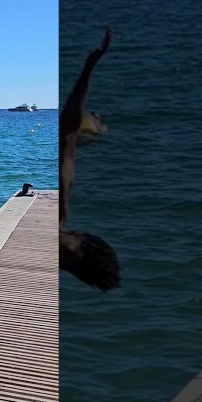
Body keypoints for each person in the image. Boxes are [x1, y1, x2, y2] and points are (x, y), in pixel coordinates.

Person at [61, 28, 120, 291]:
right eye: (68, 254)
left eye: (67, 263)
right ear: (77, 236)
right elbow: (69, 128)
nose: (60, 256)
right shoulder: (63, 190)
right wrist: (89, 66)